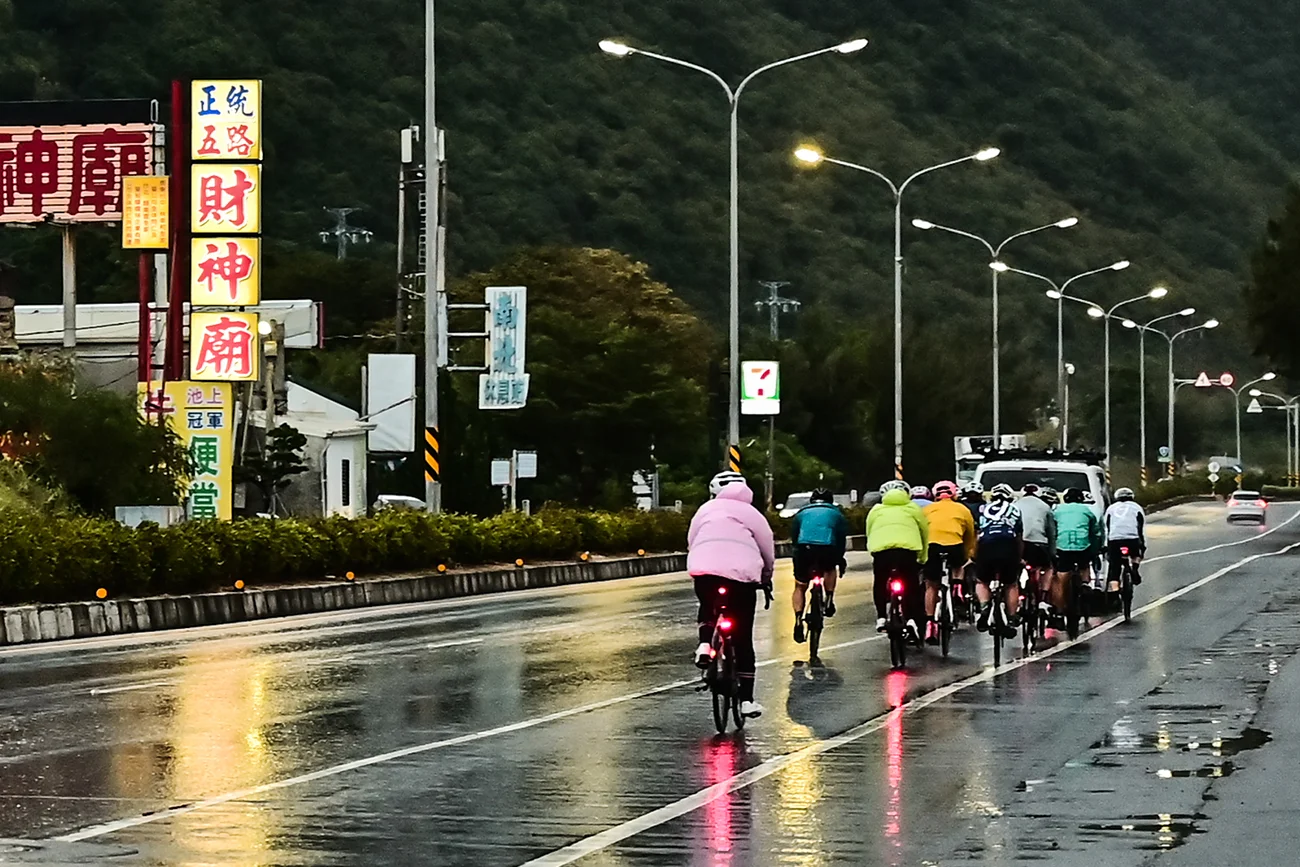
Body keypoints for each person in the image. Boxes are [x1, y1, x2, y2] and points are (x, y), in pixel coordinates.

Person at [687, 471, 776, 719]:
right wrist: (766, 576)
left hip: (705, 570)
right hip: (741, 577)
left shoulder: (704, 510)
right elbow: (767, 546)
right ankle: (747, 700)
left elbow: (692, 540)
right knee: (742, 637)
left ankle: (705, 644)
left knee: (708, 605)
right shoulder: (752, 513)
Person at [866, 480, 929, 641]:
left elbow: (869, 531)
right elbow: (924, 532)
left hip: (882, 552)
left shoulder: (876, 509)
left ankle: (881, 617)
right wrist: (922, 557)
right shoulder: (913, 508)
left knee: (880, 582)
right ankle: (911, 619)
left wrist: (873, 550)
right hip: (907, 552)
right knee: (911, 586)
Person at [790, 486, 850, 643]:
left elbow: (795, 538)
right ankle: (829, 598)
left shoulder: (801, 513)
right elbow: (841, 539)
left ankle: (797, 618)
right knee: (830, 569)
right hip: (827, 549)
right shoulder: (837, 514)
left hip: (804, 549)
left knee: (800, 586)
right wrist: (840, 558)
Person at [922, 480, 977, 645]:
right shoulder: (962, 509)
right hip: (955, 545)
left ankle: (930, 622)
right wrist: (968, 553)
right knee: (958, 565)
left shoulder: (927, 509)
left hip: (932, 546)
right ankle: (958, 587)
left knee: (931, 585)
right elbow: (970, 533)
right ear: (954, 494)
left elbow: (922, 532)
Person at [975, 483, 1023, 638]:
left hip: (986, 545)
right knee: (1011, 583)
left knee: (982, 581)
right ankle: (1011, 617)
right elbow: (1019, 537)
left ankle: (984, 607)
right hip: (1007, 545)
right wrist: (1019, 557)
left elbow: (977, 534)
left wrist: (975, 556)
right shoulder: (1015, 509)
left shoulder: (983, 509)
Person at [1052, 487, 1103, 615]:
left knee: (1060, 576)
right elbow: (1095, 532)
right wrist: (1096, 549)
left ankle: (1059, 609)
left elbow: (1053, 529)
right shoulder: (1087, 510)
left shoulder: (1057, 510)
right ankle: (1085, 584)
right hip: (1083, 545)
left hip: (1062, 545)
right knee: (1084, 566)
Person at [1016, 484, 1057, 618]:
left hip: (1019, 544)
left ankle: (1017, 597)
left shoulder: (1015, 505)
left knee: (1015, 569)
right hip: (1039, 544)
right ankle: (1043, 598)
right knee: (1047, 567)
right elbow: (1051, 532)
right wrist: (1052, 553)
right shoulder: (1045, 507)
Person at [1104, 487, 1146, 587]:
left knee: (1114, 568)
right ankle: (1135, 569)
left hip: (1114, 539)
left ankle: (1114, 592)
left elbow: (1106, 526)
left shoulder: (1111, 508)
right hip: (1132, 539)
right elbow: (1140, 525)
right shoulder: (1137, 507)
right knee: (1136, 555)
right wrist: (1142, 544)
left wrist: (1106, 545)